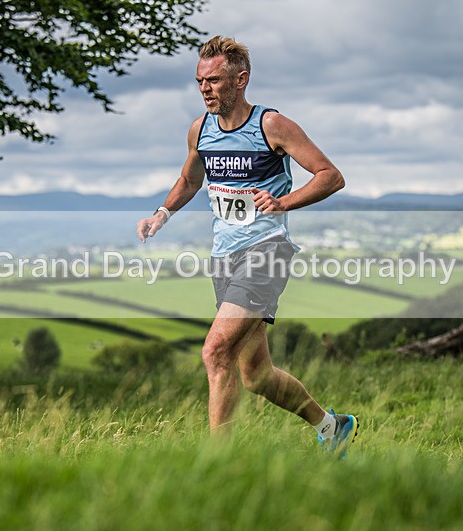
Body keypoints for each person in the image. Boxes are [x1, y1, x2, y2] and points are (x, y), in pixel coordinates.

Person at [136, 36, 358, 456]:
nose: (205, 89)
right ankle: (333, 427)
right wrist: (161, 214)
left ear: (241, 79)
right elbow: (189, 180)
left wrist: (283, 201)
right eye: (200, 81)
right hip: (225, 258)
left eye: (215, 81)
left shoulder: (271, 126)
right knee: (256, 375)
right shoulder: (200, 130)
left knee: (215, 350)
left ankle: (218, 464)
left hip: (267, 252)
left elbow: (330, 175)